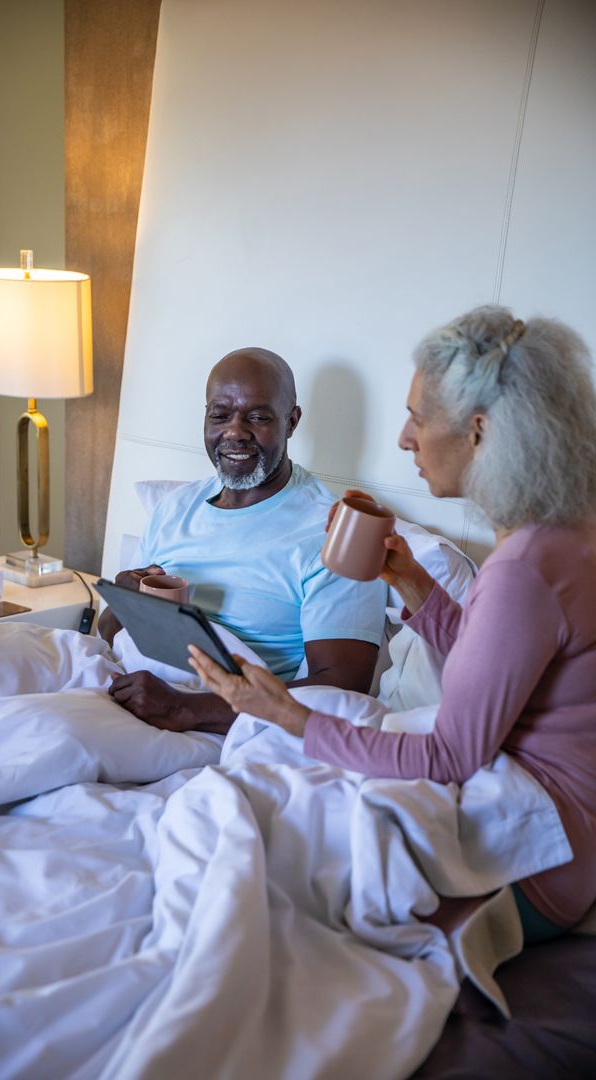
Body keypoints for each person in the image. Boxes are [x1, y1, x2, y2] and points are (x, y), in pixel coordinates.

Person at [190, 307, 596, 940]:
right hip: (562, 824)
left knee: (270, 863)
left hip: (542, 856)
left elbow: (447, 756)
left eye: (418, 417)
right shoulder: (562, 534)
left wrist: (287, 715)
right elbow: (496, 672)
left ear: (479, 433)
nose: (406, 439)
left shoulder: (524, 568)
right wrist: (408, 579)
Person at [103, 346, 387, 734]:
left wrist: (184, 709)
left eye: (258, 417)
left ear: (292, 421)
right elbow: (108, 634)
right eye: (219, 415)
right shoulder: (176, 508)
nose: (235, 432)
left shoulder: (335, 532)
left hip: (228, 727)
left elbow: (342, 689)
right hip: (134, 689)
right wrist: (124, 601)